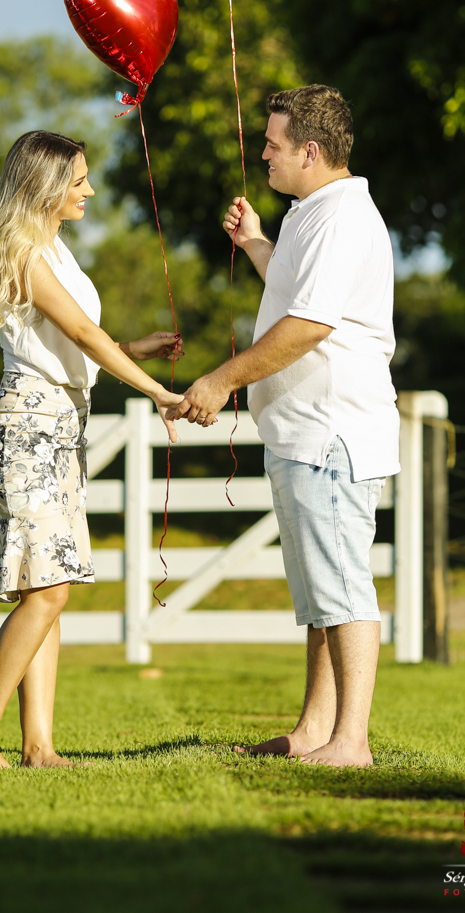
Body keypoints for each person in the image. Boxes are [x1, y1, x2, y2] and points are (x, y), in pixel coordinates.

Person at [175, 85, 399, 768]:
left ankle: (351, 742)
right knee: (319, 596)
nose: (262, 154)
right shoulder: (309, 213)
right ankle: (312, 733)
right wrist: (256, 244)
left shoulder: (342, 217)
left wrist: (222, 379)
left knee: (342, 588)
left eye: (272, 145)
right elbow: (297, 294)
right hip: (303, 431)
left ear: (309, 149)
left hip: (332, 431)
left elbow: (310, 325)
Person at [0, 130, 184, 769]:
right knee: (49, 591)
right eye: (78, 178)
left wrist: (134, 350)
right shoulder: (27, 252)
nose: (88, 189)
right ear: (46, 185)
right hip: (25, 427)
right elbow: (80, 332)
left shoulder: (56, 251)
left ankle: (39, 746)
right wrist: (159, 395)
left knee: (48, 584)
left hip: (59, 428)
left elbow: (80, 337)